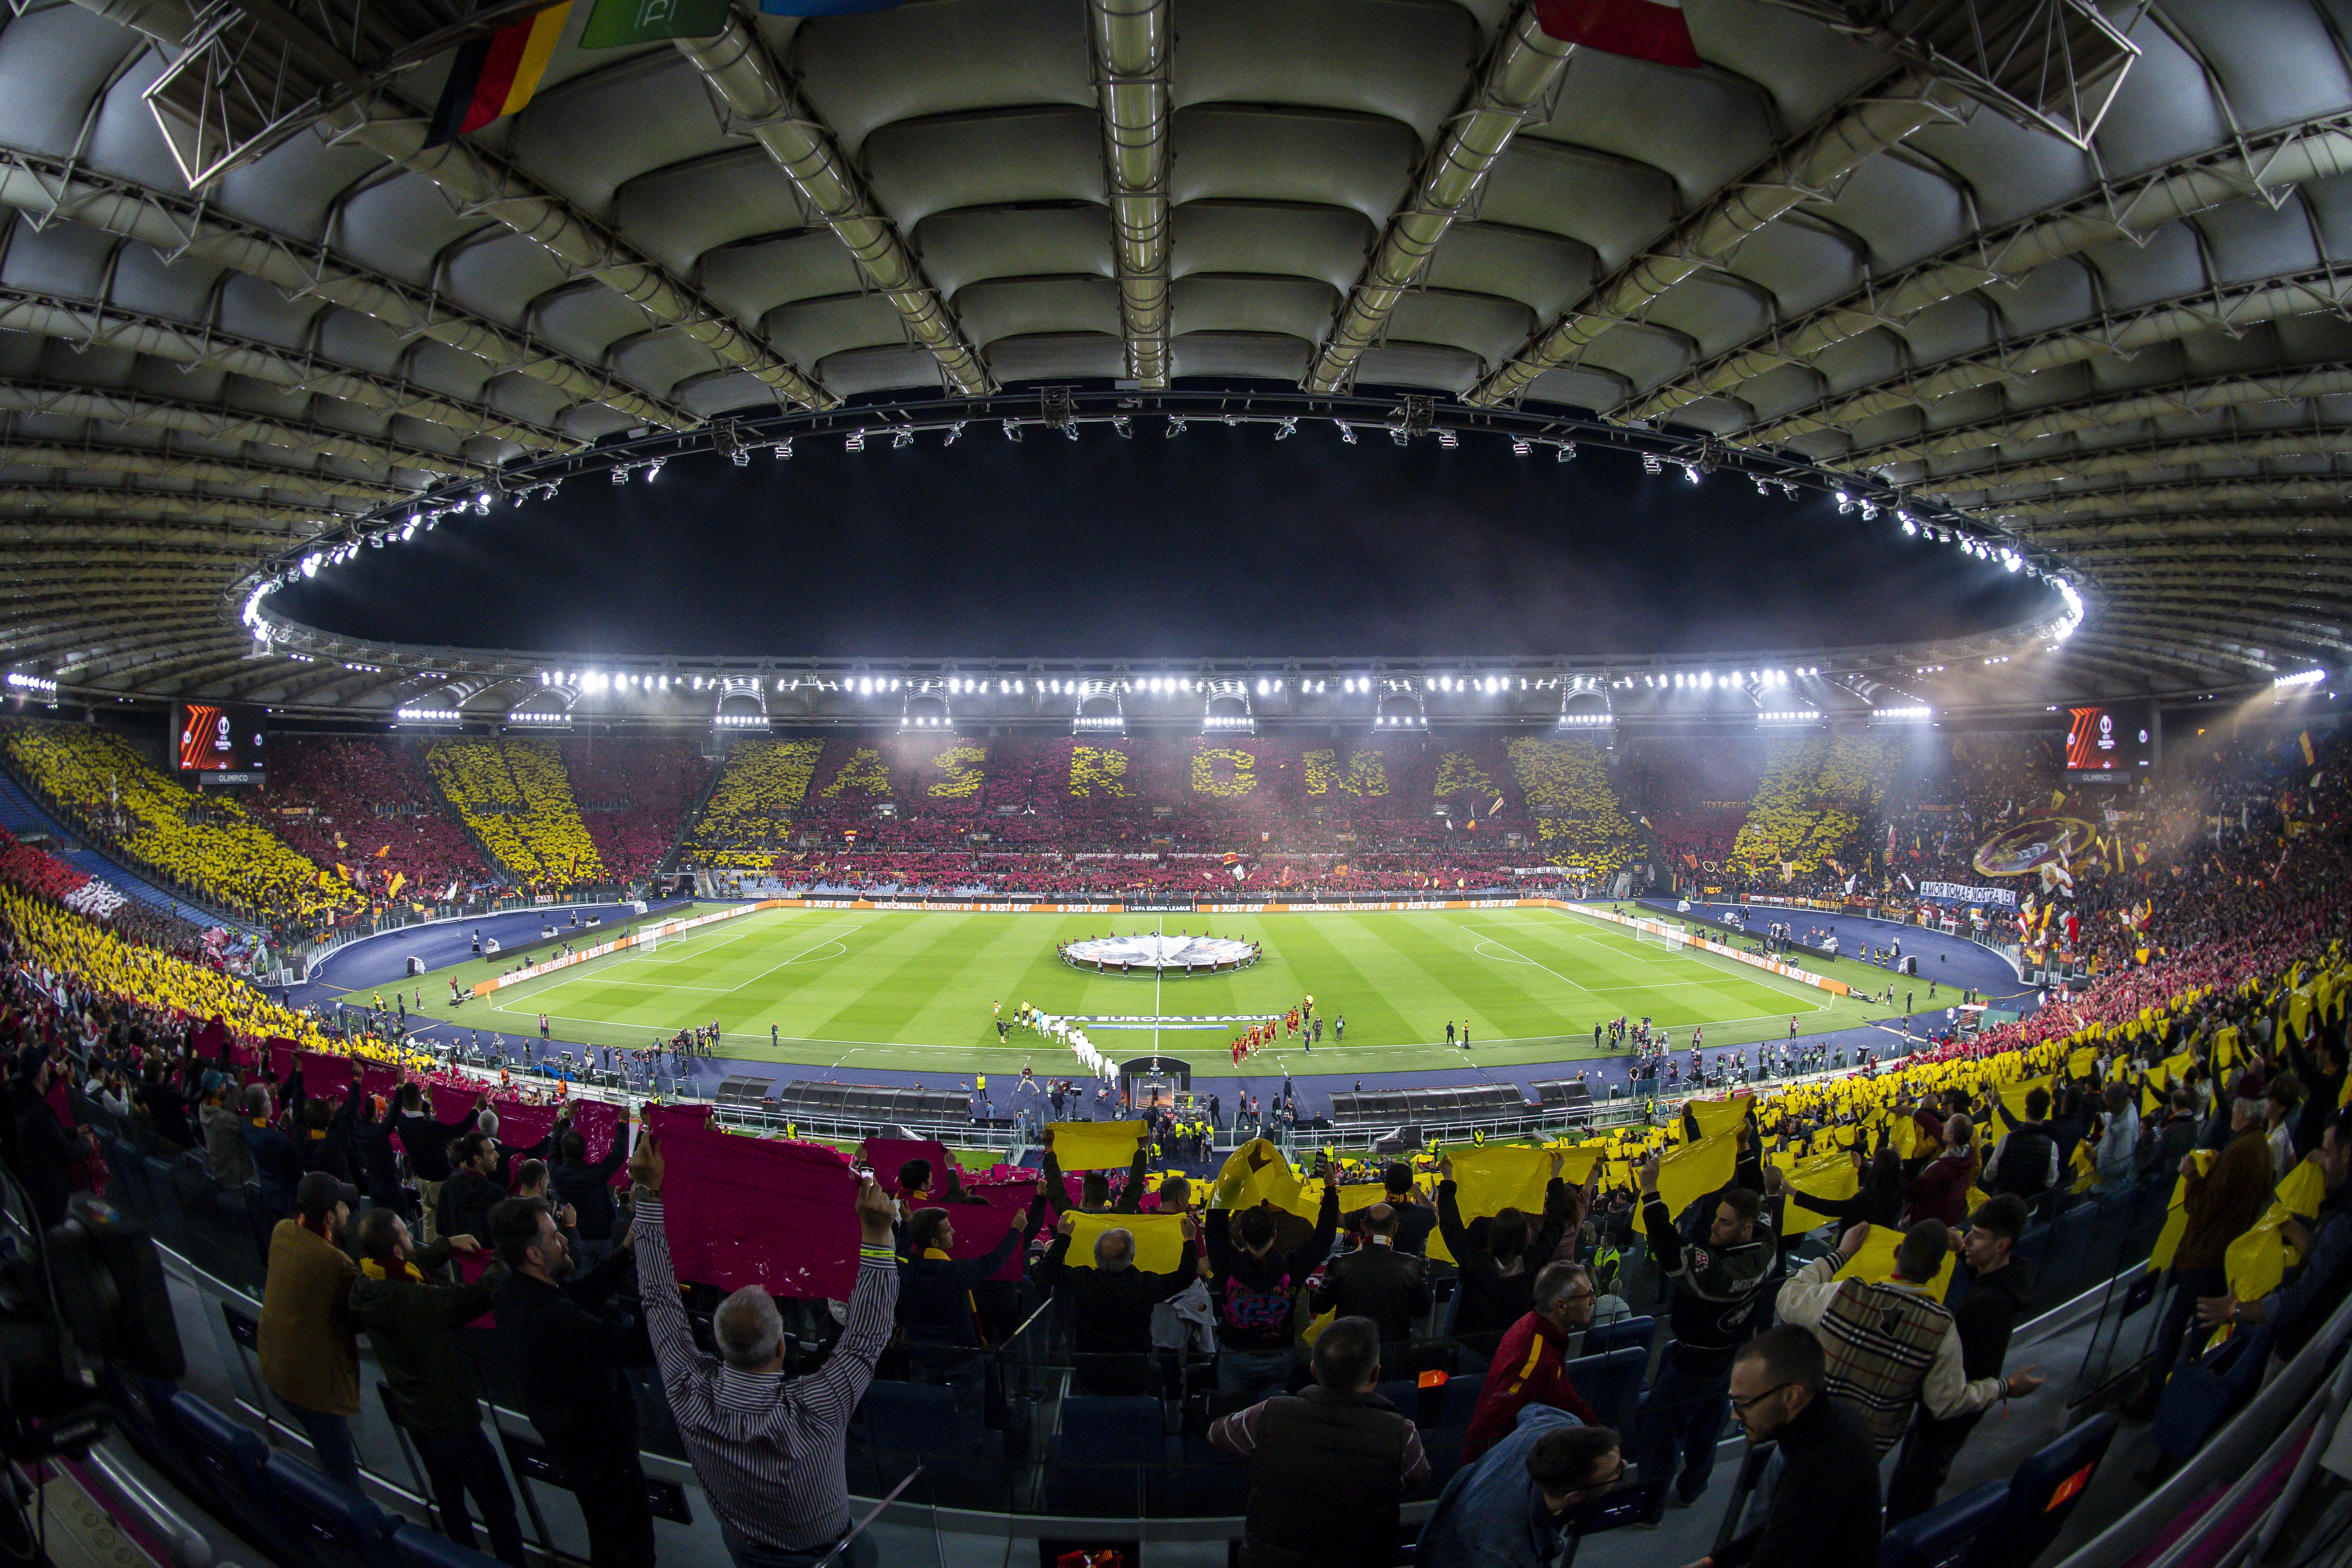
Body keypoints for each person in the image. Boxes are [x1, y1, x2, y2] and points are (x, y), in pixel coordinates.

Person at [629, 1135, 899, 1568]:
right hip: (828, 1557)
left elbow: (658, 1300)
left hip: (745, 1550)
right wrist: (877, 1232)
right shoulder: (813, 1409)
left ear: (721, 1344)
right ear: (779, 1347)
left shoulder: (686, 1393)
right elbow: (867, 1338)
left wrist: (647, 1197)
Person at [1774, 1219, 2040, 1456]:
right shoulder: (1941, 1327)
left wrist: (1842, 1254)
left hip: (1809, 1433)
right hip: (1865, 1451)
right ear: (1937, 1272)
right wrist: (2007, 1386)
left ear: (1898, 1252)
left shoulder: (1845, 1294)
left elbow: (1788, 1298)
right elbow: (1948, 1402)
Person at [489, 1194, 655, 1568]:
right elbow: (634, 1347)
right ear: (534, 1254)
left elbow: (583, 1294)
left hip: (574, 1448)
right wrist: (660, 1286)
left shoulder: (512, 1289)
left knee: (604, 1537)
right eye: (554, 1236)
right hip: (604, 1453)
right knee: (633, 1550)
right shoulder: (552, 1317)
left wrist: (626, 1250)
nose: (565, 1239)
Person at [349, 1210, 522, 1566]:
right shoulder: (412, 1301)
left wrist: (445, 1247)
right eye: (406, 1234)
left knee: (450, 1500)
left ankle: (459, 1558)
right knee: (498, 1505)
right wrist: (505, 1253)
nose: (412, 1239)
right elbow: (473, 1298)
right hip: (452, 1420)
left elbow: (406, 1262)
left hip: (417, 1417)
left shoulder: (366, 1282)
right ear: (397, 1251)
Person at [1207, 1315, 1429, 1568]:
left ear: (1313, 1370)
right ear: (1375, 1374)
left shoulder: (1268, 1413)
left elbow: (1217, 1434)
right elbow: (1418, 1479)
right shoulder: (1403, 1433)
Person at [1632, 1151, 1779, 1506]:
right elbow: (1756, 1193)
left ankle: (1650, 1508)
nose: (1714, 1226)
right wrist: (1744, 1149)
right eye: (1717, 1218)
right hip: (1728, 1358)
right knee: (1706, 1432)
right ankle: (1693, 1487)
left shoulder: (1720, 1272)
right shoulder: (1766, 1242)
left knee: (1660, 1431)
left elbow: (1671, 1253)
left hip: (1694, 1363)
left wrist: (1650, 1190)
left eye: (1725, 1223)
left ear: (1743, 1229)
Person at [1885, 1196, 2034, 1523]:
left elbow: (1962, 1382)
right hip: (1947, 1409)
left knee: (1911, 1495)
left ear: (2001, 1245)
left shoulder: (1990, 1305)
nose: (1967, 1239)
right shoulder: (2005, 1276)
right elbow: (1979, 1269)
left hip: (1947, 1415)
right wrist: (1959, 1249)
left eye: (1978, 1236)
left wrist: (2007, 1387)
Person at [1688, 1325, 1882, 1568]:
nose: (1735, 1416)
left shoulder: (1820, 1467)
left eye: (1744, 1402)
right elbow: (1782, 1525)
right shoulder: (1832, 1418)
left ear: (1792, 1397)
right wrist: (1713, 1562)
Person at [2142, 1067, 2281, 1400]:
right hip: (2221, 1256)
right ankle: (2179, 1392)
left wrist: (2191, 1176)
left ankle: (2153, 1398)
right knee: (2198, 1333)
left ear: (2241, 1112)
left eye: (2234, 1107)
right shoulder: (2259, 1147)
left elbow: (2204, 1206)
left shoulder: (2241, 1152)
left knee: (2174, 1328)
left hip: (2205, 1255)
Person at [256, 1172, 362, 1488]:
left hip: (273, 1366)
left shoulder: (282, 1230)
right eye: (343, 1207)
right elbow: (360, 1317)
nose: (348, 1212)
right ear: (330, 1216)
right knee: (341, 1467)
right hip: (308, 1384)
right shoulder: (337, 1262)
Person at [1419, 1407, 1623, 1568]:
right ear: (1574, 1496)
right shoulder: (1501, 1552)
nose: (1623, 1466)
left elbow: (1533, 1409)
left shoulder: (1553, 1426)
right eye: (1615, 1472)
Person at [1206, 1157, 1339, 1398]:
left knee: (1235, 1420)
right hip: (1280, 1357)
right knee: (1273, 1423)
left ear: (1241, 1234)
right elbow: (1324, 1238)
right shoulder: (1292, 1267)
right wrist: (1330, 1189)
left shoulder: (1226, 1264)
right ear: (1275, 1234)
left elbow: (1215, 1222)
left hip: (1234, 1356)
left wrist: (1239, 1176)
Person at [1033, 1208, 1202, 1395]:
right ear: (1132, 1257)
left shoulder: (1083, 1282)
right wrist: (1189, 1239)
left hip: (1091, 1373)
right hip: (1135, 1374)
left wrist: (1064, 1236)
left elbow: (1048, 1271)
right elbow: (1186, 1276)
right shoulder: (1145, 1286)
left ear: (1096, 1257)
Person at [1464, 1262, 1601, 1460]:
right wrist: (1471, 1479)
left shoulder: (1539, 1328)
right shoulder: (1534, 1361)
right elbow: (1486, 1428)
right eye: (1588, 1295)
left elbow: (1564, 1395)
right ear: (1561, 1306)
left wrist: (1597, 1433)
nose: (1594, 1300)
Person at [1435, 1153, 1578, 1339]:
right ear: (1525, 1238)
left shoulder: (1475, 1264)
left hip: (1475, 1346)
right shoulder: (1534, 1262)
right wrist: (1555, 1176)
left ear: (1493, 1236)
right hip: (1515, 1345)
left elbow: (1450, 1227)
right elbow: (1556, 1225)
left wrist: (1448, 1179)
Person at [1311, 1204, 1432, 1351]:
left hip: (1350, 1353)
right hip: (1393, 1356)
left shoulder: (1340, 1264)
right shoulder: (1412, 1265)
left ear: (1363, 1225)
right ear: (1395, 1229)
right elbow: (1422, 1310)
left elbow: (1321, 1305)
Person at [1984, 1087, 2059, 1200]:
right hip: (2029, 1206)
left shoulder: (2006, 1139)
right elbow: (2050, 1182)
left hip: (2002, 1203)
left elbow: (1988, 1175)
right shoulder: (2052, 1147)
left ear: (2026, 1111)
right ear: (2045, 1113)